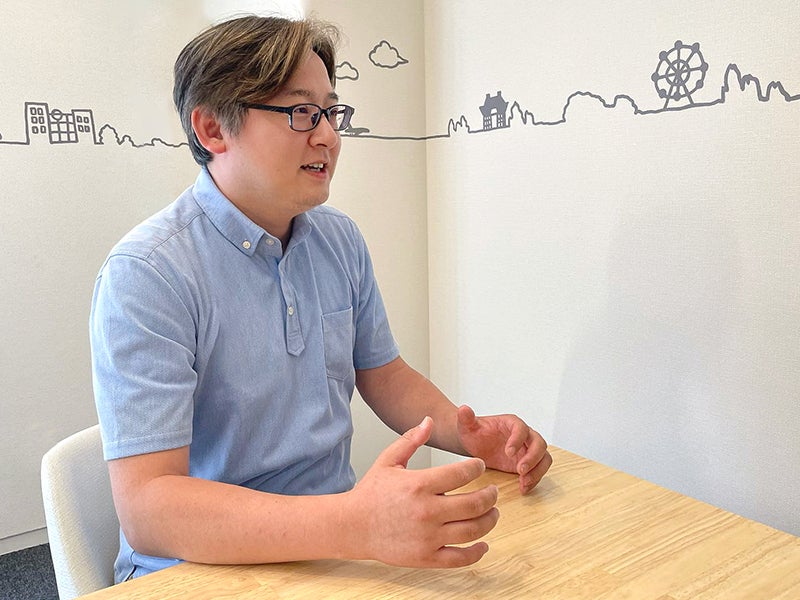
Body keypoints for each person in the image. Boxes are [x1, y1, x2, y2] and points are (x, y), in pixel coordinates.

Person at [89, 14, 552, 583]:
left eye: (331, 112)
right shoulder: (148, 274)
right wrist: (357, 523)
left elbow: (384, 375)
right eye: (301, 113)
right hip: (195, 568)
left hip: (330, 552)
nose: (329, 136)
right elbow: (149, 510)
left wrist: (469, 434)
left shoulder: (338, 240)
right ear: (212, 129)